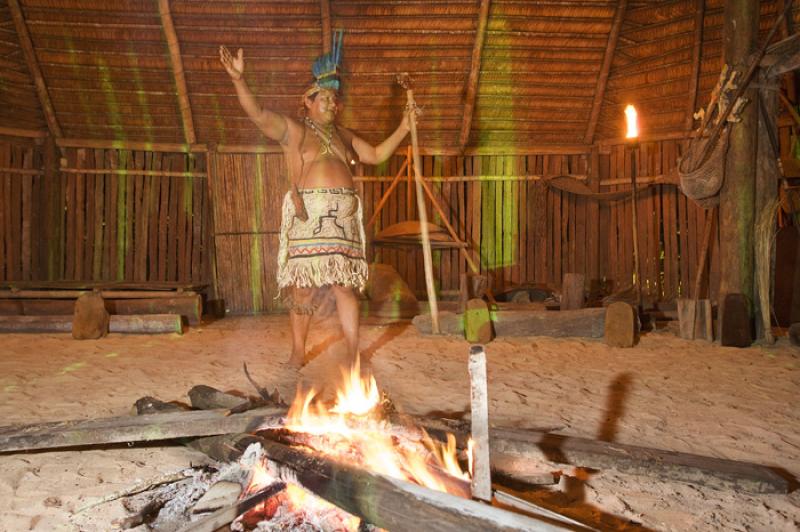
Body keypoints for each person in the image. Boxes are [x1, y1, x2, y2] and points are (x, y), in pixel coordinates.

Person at [219, 36, 412, 369]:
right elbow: (259, 114)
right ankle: (297, 352)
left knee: (344, 287)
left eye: (334, 99)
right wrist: (238, 79)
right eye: (324, 98)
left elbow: (377, 154)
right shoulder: (294, 131)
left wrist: (405, 127)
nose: (331, 104)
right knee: (303, 290)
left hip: (343, 219)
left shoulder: (345, 135)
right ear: (306, 101)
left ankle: (352, 353)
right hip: (309, 214)